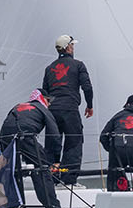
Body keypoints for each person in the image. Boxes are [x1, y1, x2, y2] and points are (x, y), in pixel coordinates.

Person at [0, 89, 62, 208]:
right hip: (25, 136)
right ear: (43, 99)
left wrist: (4, 153)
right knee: (42, 171)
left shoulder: (18, 106)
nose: (49, 104)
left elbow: (4, 128)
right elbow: (54, 135)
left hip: (5, 138)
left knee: (12, 174)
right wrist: (55, 160)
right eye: (48, 101)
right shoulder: (43, 109)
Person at [40, 35, 93, 185]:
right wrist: (89, 105)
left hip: (52, 110)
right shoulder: (78, 65)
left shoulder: (49, 68)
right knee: (74, 143)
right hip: (70, 109)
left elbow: (45, 93)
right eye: (72, 45)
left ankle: (52, 179)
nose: (73, 48)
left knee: (52, 145)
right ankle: (68, 180)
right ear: (68, 47)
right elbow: (87, 87)